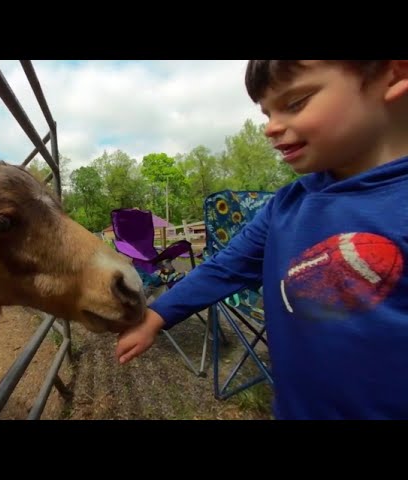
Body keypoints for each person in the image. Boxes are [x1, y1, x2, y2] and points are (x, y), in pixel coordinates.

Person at [115, 60, 408, 420]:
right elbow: (225, 268)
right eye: (267, 112)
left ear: (395, 74)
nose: (270, 128)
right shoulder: (286, 206)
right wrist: (157, 314)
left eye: (295, 103)